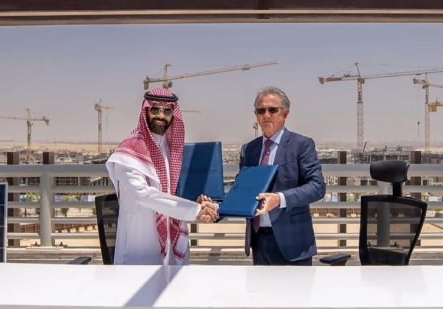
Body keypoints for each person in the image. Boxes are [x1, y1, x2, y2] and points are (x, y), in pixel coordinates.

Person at [106, 87, 217, 265]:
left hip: (172, 235)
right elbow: (143, 194)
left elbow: (173, 190)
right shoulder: (128, 151)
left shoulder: (171, 149)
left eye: (167, 111)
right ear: (146, 111)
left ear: (173, 115)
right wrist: (194, 210)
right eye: (155, 109)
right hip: (140, 241)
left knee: (175, 280)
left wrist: (198, 202)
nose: (161, 115)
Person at [239, 86, 326, 265]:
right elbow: (242, 191)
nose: (266, 115)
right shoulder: (249, 149)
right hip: (259, 242)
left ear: (285, 113)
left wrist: (279, 199)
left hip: (293, 244)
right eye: (261, 111)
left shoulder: (301, 145)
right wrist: (216, 208)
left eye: (272, 110)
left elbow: (317, 187)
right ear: (256, 115)